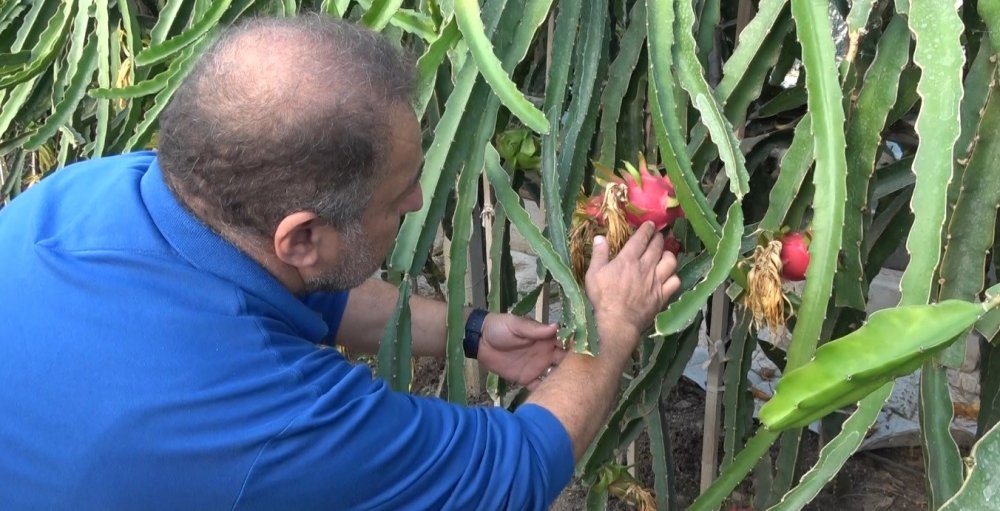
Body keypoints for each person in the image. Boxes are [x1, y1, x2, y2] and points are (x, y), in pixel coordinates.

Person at [0, 15, 680, 510]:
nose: (420, 199)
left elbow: (294, 290)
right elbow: (518, 465)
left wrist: (470, 330)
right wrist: (612, 327)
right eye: (398, 194)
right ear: (299, 235)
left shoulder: (89, 193)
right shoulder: (272, 421)